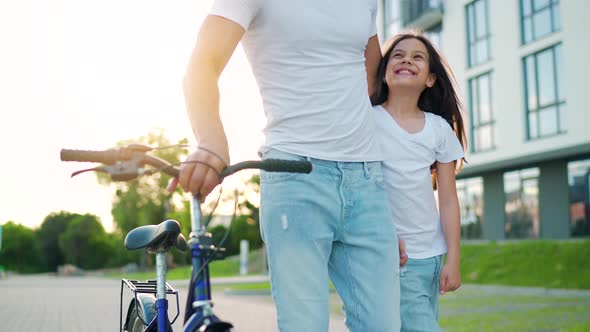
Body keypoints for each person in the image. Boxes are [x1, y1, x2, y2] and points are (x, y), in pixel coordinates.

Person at [170, 1, 402, 331]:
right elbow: (203, 64)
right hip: (295, 176)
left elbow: (374, 87)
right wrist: (211, 142)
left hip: (367, 179)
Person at [370, 31, 467, 332]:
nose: (406, 60)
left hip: (432, 256)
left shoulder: (438, 129)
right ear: (384, 72)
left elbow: (448, 200)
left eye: (417, 57)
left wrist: (453, 258)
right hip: (396, 255)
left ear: (430, 79)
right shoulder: (367, 120)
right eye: (398, 55)